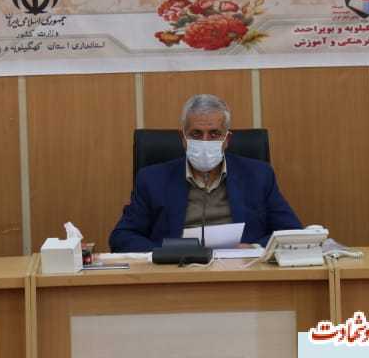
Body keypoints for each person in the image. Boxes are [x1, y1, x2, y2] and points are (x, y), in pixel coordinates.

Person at [109, 94, 302, 252]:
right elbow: (122, 237)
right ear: (183, 138)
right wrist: (168, 252)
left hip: (241, 272)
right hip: (177, 274)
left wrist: (254, 248)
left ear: (227, 140)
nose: (205, 141)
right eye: (196, 134)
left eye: (214, 134)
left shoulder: (258, 176)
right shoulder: (152, 180)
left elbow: (291, 231)